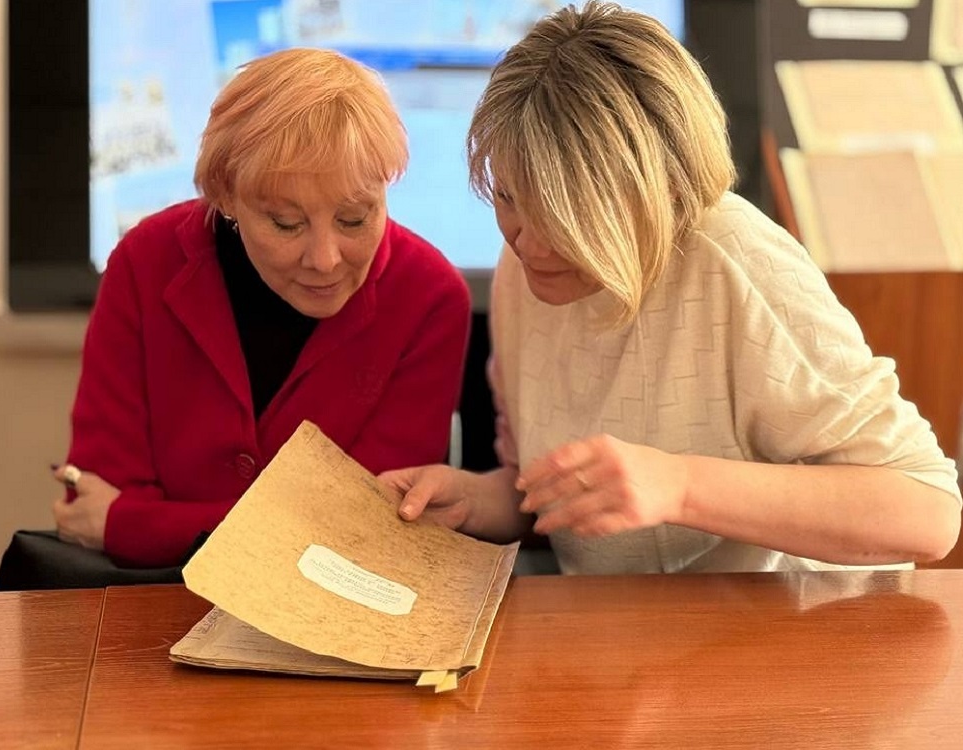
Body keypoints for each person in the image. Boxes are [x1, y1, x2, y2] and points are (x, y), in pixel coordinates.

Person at [381, 1, 962, 573]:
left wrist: (680, 485)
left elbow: (926, 510)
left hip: (796, 625)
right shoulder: (524, 267)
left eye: (565, 215)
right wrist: (474, 499)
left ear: (661, 191)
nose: (527, 243)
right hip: (631, 626)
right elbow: (543, 495)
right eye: (508, 197)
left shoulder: (736, 260)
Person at [51, 48, 471, 568]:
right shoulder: (145, 262)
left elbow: (366, 531)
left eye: (354, 219)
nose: (324, 259)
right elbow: (97, 488)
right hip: (148, 602)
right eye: (286, 223)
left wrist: (131, 525)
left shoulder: (431, 297)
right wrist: (293, 525)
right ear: (226, 195)